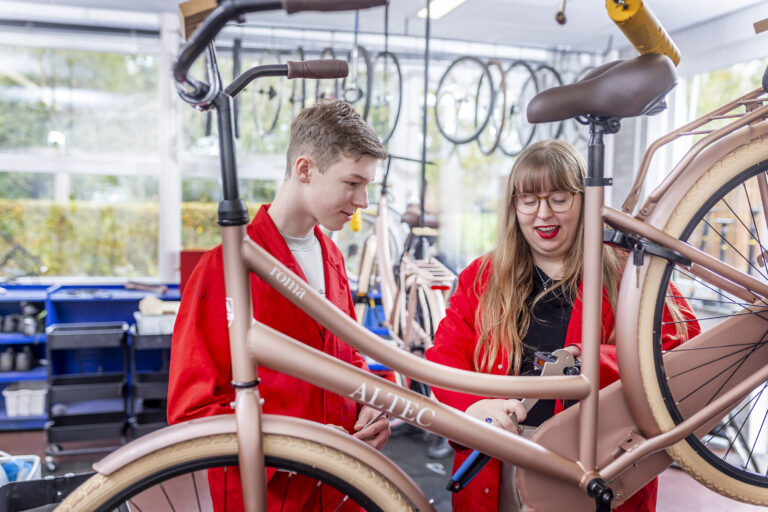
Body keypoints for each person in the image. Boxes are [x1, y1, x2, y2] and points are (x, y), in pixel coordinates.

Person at [425, 140, 700, 511]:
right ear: (513, 207)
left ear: (584, 201)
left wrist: (590, 359)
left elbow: (690, 354)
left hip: (601, 463)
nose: (543, 215)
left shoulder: (629, 274)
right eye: (529, 200)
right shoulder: (481, 277)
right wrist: (474, 407)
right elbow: (443, 361)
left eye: (558, 198)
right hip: (501, 458)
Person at [167, 100, 390, 512]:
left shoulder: (332, 259)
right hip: (269, 494)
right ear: (305, 170)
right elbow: (191, 409)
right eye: (352, 183)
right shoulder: (225, 268)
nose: (362, 201)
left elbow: (347, 356)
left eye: (367, 187)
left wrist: (370, 406)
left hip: (343, 485)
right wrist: (295, 446)